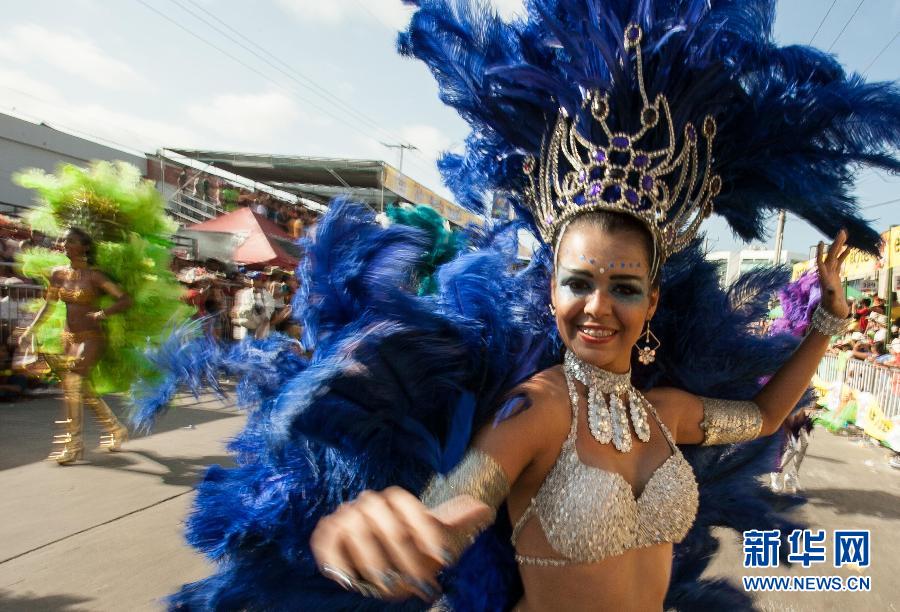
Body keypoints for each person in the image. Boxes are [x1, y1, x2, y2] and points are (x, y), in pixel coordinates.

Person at [154, 2, 900, 610]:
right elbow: (458, 509)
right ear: (552, 291)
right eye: (579, 282)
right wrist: (391, 522)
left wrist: (828, 320)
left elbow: (768, 418)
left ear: (652, 300)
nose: (598, 305)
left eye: (625, 286)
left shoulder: (669, 412)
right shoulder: (533, 411)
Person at [21, 228, 132, 464]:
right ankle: (115, 428)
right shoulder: (57, 274)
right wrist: (30, 329)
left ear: (85, 247)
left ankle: (73, 445)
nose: (64, 244)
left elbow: (125, 299)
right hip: (68, 338)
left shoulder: (95, 276)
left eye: (70, 241)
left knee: (72, 384)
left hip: (92, 337)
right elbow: (48, 305)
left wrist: (102, 313)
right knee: (82, 390)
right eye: (64, 240)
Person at [232, 271, 276, 340]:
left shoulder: (268, 296)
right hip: (245, 331)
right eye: (252, 279)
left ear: (262, 281)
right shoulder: (243, 293)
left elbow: (268, 316)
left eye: (257, 280)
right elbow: (237, 312)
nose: (253, 281)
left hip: (260, 332)